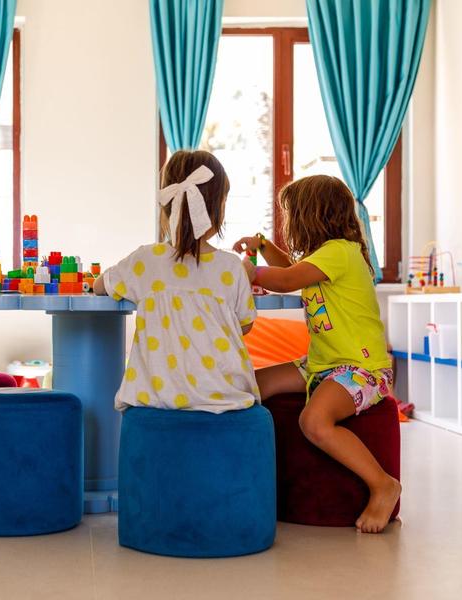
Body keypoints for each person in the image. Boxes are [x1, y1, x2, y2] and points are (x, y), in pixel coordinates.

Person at [234, 174, 400, 534]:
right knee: (250, 384)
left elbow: (286, 280)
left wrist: (249, 270)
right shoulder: (325, 257)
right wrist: (262, 245)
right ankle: (245, 473)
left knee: (314, 422)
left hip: (361, 368)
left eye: (291, 215)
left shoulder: (340, 252)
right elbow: (289, 270)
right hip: (322, 365)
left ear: (311, 217)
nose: (289, 224)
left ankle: (382, 484)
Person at [93, 150, 258, 413]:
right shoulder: (232, 267)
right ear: (218, 208)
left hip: (156, 399)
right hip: (225, 398)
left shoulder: (145, 260)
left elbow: (101, 285)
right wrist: (245, 277)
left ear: (166, 207)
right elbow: (244, 325)